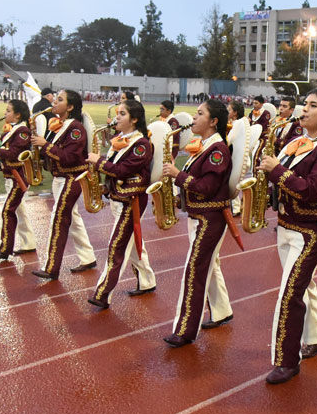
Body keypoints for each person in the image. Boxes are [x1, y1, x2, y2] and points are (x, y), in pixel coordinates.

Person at [257, 88, 317, 384]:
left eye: (312, 106)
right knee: (302, 286)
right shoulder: (296, 142)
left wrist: (277, 172)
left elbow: (313, 189)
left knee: (289, 293)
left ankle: (287, 360)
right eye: (304, 105)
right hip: (285, 224)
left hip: (309, 231)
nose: (303, 110)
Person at [163, 99, 235, 346]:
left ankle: (185, 329)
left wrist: (177, 175)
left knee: (194, 270)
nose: (193, 118)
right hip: (199, 216)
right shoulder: (206, 146)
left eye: (200, 114)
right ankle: (222, 311)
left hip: (209, 219)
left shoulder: (217, 151)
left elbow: (207, 187)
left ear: (213, 121)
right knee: (210, 266)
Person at [86, 100, 157, 309]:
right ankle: (147, 281)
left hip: (131, 200)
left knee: (116, 246)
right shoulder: (120, 139)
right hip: (118, 198)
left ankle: (102, 293)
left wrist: (97, 162)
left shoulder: (142, 144)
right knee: (132, 244)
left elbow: (122, 171)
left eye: (122, 114)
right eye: (118, 113)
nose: (117, 117)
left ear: (134, 119)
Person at [30, 89, 97, 280]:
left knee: (58, 220)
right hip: (58, 178)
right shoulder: (58, 126)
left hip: (71, 179)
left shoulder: (75, 129)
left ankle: (51, 267)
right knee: (73, 220)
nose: (54, 102)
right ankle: (88, 257)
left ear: (70, 107)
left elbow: (69, 158)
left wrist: (45, 145)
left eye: (59, 100)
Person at [0, 99, 36, 260]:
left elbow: (13, 154)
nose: (5, 113)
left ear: (17, 115)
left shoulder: (22, 131)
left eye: (8, 111)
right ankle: (28, 243)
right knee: (20, 211)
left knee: (8, 211)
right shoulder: (12, 130)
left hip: (18, 178)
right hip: (10, 177)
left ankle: (5, 248)